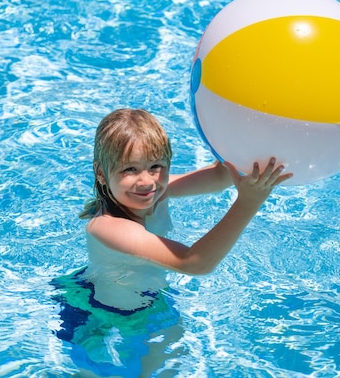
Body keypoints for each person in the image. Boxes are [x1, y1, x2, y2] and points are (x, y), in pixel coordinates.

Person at [53, 108, 292, 377]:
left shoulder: (156, 191)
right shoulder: (107, 227)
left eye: (156, 166)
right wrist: (249, 202)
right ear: (100, 173)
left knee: (171, 366)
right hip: (95, 311)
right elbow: (194, 263)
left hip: (150, 301)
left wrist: (250, 139)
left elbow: (220, 177)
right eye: (129, 169)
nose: (147, 180)